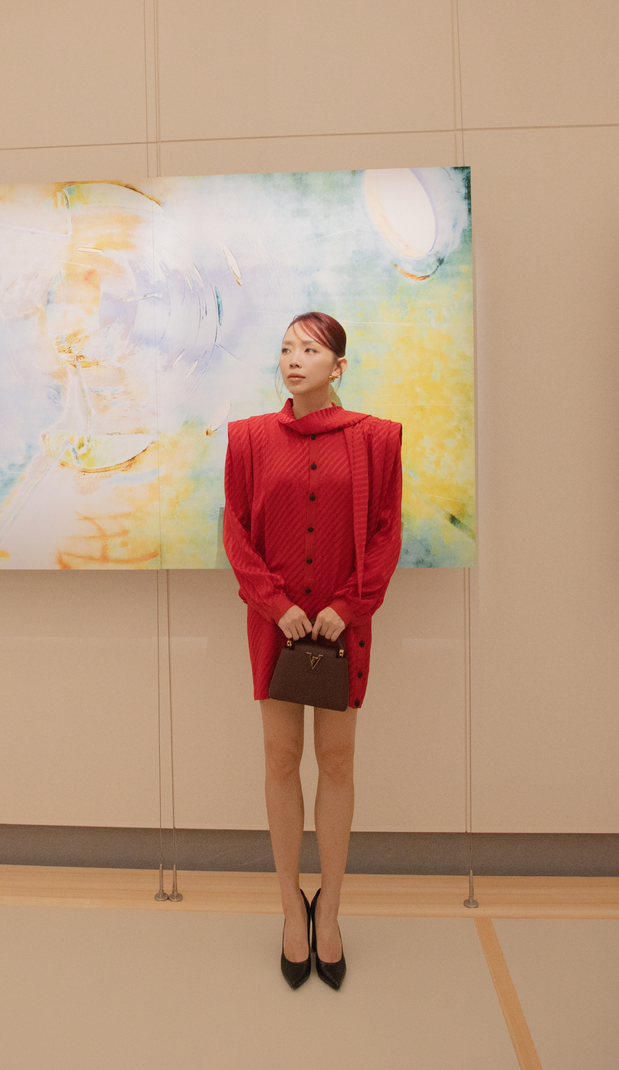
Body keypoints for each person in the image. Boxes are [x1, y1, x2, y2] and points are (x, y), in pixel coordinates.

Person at [222, 312, 403, 989]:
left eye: (310, 349)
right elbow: (237, 532)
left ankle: (329, 911)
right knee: (279, 758)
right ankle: (289, 912)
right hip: (275, 624)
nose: (294, 360)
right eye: (286, 349)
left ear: (339, 366)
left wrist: (347, 607)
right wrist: (277, 606)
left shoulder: (377, 439)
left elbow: (386, 533)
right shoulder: (247, 439)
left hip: (342, 627)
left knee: (337, 760)